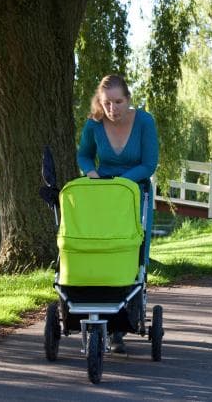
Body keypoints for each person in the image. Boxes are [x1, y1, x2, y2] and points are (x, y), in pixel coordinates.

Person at [77, 74, 159, 353]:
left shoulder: (145, 122)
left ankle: (121, 326)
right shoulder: (94, 124)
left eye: (118, 102)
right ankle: (97, 315)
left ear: (128, 98)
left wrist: (124, 183)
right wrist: (93, 175)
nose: (113, 109)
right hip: (102, 195)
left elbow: (149, 163)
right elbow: (84, 155)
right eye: (107, 103)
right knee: (103, 249)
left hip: (135, 195)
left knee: (131, 254)